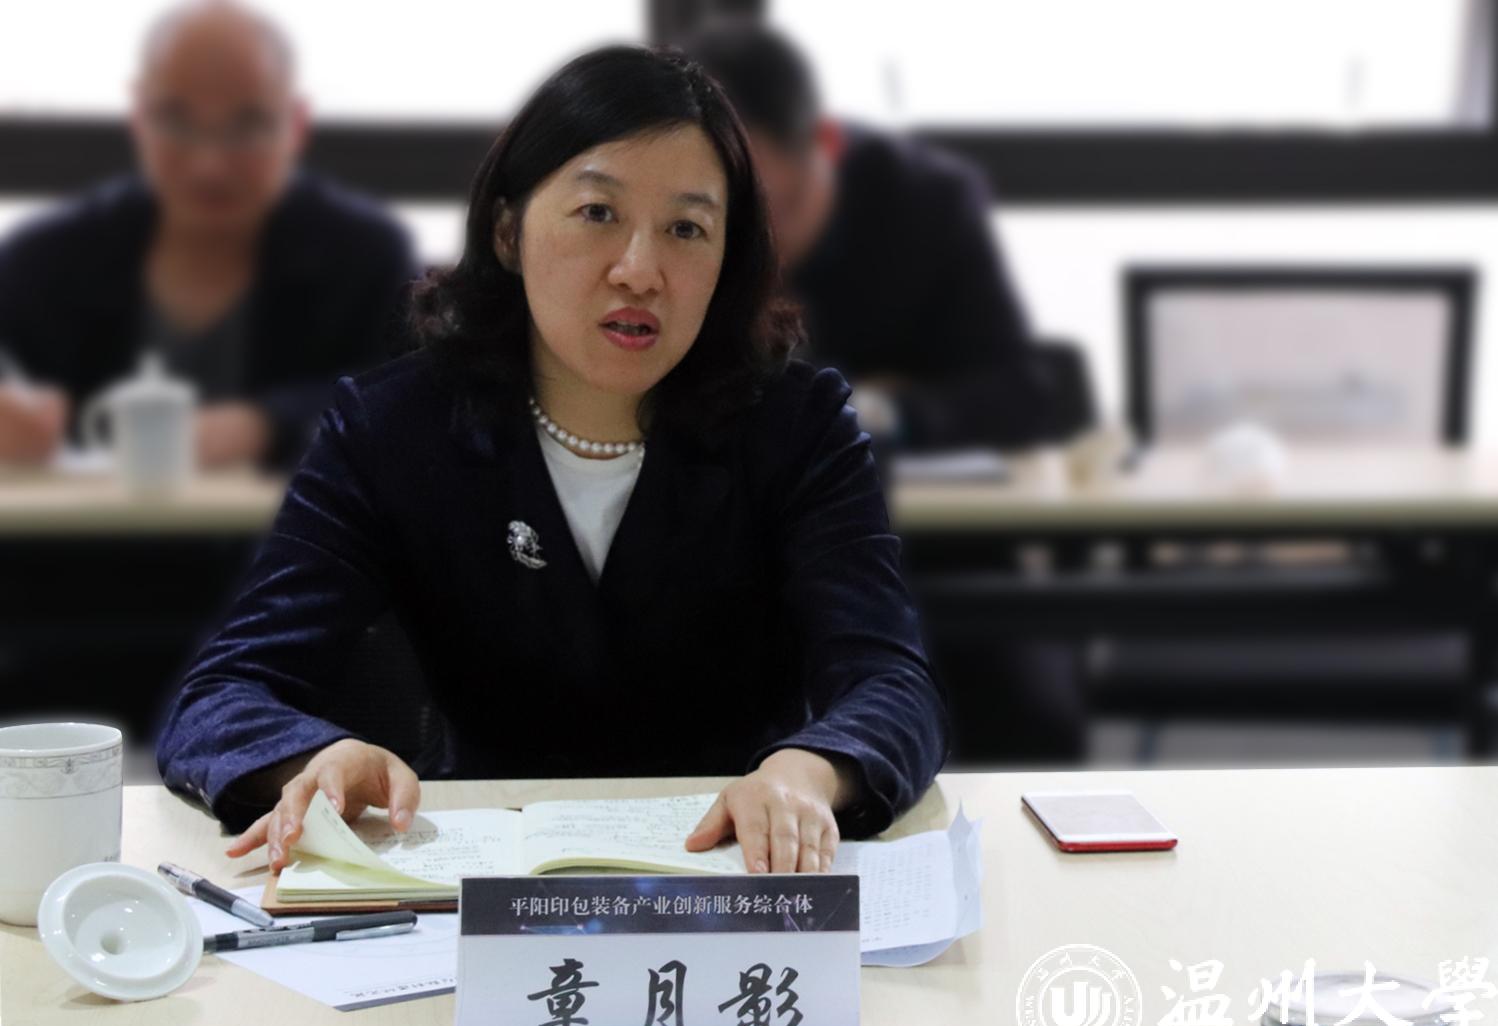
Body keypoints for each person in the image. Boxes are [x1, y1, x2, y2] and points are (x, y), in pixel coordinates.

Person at [155, 45, 949, 875]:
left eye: (686, 229)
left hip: (736, 872)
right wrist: (315, 757)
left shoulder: (798, 426)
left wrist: (808, 772)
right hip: (480, 878)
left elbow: (893, 683)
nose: (640, 271)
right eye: (597, 213)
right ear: (508, 231)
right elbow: (220, 695)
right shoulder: (392, 428)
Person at [689, 22, 1091, 763]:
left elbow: (1022, 392)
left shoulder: (924, 204)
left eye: (773, 206)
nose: (753, 246)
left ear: (824, 144)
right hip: (728, 557)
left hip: (933, 552)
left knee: (1022, 718)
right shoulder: (675, 232)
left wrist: (882, 414)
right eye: (722, 216)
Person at [0, 1, 415, 470]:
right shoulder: (45, 262)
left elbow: (409, 406)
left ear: (295, 126)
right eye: (176, 120)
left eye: (248, 124)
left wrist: (270, 424)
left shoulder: (366, 258)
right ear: (139, 118)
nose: (209, 164)